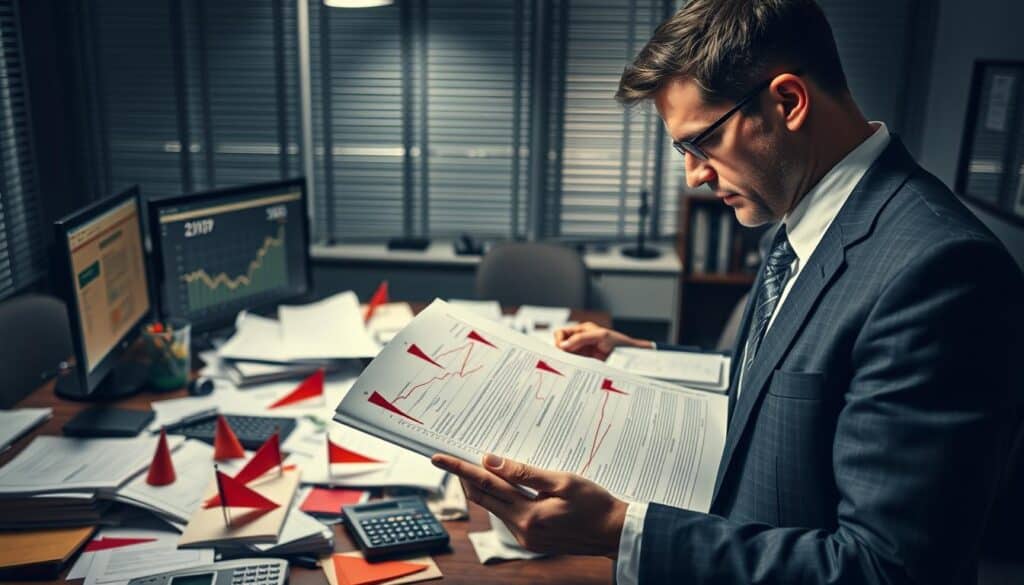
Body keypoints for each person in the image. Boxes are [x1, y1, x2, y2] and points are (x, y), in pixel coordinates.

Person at [431, 0, 1024, 583]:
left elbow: (887, 568)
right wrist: (641, 356)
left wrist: (618, 530)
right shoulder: (803, 206)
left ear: (787, 102)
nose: (693, 174)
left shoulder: (943, 271)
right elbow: (799, 377)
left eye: (701, 142)